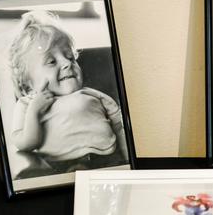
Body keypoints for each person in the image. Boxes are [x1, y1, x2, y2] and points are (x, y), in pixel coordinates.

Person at [8, 11, 128, 174]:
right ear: (28, 84)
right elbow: (26, 144)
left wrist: (128, 163)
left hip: (107, 161)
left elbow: (120, 127)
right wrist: (34, 112)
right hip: (58, 168)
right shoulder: (27, 104)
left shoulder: (93, 95)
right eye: (51, 61)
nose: (67, 63)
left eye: (70, 57)